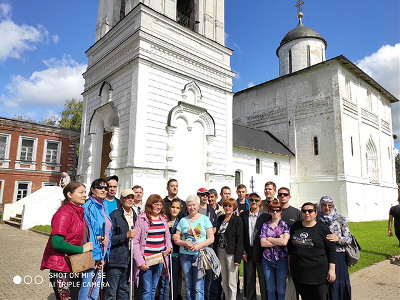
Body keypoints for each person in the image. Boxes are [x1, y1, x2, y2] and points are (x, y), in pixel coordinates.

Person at [41, 181, 93, 300]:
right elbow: (57, 242)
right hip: (61, 270)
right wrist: (82, 249)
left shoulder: (77, 213)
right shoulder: (64, 213)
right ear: (69, 194)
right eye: (81, 192)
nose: (85, 195)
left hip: (73, 267)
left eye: (85, 192)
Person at [288, 202, 336, 300]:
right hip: (299, 273)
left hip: (318, 275)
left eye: (310, 211)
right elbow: (290, 249)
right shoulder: (295, 227)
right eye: (304, 211)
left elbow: (331, 250)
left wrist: (332, 270)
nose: (307, 213)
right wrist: (289, 265)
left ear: (316, 213)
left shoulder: (323, 229)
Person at [174, 194, 214, 300]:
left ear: (198, 206)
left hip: (199, 255)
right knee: (188, 285)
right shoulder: (183, 221)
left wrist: (199, 246)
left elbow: (211, 238)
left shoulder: (205, 219)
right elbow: (176, 238)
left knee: (198, 285)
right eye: (189, 205)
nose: (192, 207)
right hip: (185, 256)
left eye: (194, 205)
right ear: (187, 207)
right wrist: (185, 243)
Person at [132, 194, 172, 300]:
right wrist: (140, 262)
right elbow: (135, 241)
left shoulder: (163, 219)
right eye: (156, 204)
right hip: (146, 259)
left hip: (159, 259)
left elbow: (167, 237)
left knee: (154, 289)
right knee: (146, 289)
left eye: (160, 205)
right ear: (150, 205)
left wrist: (169, 248)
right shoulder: (142, 218)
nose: (159, 207)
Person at [79, 178, 113, 300]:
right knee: (87, 287)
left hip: (102, 253)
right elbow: (90, 232)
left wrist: (104, 255)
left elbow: (107, 231)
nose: (103, 190)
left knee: (95, 290)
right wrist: (98, 256)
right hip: (93, 254)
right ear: (93, 190)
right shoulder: (88, 207)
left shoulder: (104, 205)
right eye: (100, 187)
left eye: (105, 187)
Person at [104, 189, 138, 300]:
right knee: (110, 292)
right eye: (127, 197)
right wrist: (126, 235)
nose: (130, 200)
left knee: (124, 290)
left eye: (132, 197)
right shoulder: (114, 215)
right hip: (116, 259)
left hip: (130, 259)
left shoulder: (136, 215)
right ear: (121, 199)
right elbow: (109, 239)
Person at [318, 196, 352, 300]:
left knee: (338, 281)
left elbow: (349, 239)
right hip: (322, 256)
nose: (327, 208)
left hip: (339, 255)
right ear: (320, 206)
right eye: (324, 205)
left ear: (334, 206)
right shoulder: (317, 219)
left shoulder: (340, 219)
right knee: (326, 282)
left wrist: (337, 238)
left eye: (330, 205)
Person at [240, 191, 270, 300]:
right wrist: (243, 251)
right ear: (248, 201)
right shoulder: (243, 215)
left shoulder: (265, 215)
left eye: (256, 200)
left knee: (263, 278)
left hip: (261, 252)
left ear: (260, 202)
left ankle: (264, 298)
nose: (254, 202)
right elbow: (241, 235)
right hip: (248, 251)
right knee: (249, 278)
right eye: (251, 199)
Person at [260, 200, 290, 300]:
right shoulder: (265, 225)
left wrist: (270, 239)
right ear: (269, 211)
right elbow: (263, 243)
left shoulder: (285, 225)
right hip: (267, 261)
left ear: (281, 211)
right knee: (270, 289)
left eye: (277, 210)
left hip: (281, 261)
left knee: (281, 290)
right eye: (272, 210)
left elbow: (285, 243)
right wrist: (278, 240)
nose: (275, 212)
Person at [215, 198, 244, 300]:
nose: (227, 208)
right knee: (224, 279)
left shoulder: (237, 220)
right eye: (226, 206)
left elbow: (240, 239)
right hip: (220, 251)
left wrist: (238, 258)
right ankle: (227, 297)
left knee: (232, 280)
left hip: (231, 252)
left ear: (234, 207)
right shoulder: (220, 218)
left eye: (230, 206)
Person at [160, 199, 183, 300]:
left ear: (180, 209)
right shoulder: (164, 219)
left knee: (174, 282)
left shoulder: (181, 221)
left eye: (177, 208)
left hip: (176, 255)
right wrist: (165, 227)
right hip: (165, 255)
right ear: (169, 208)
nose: (175, 209)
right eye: (173, 207)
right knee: (163, 282)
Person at [197, 188, 217, 300]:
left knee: (208, 275)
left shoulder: (211, 210)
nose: (205, 197)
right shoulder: (195, 208)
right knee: (198, 275)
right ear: (198, 195)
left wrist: (207, 237)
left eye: (207, 195)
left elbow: (214, 227)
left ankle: (206, 296)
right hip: (197, 246)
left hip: (208, 247)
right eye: (202, 195)